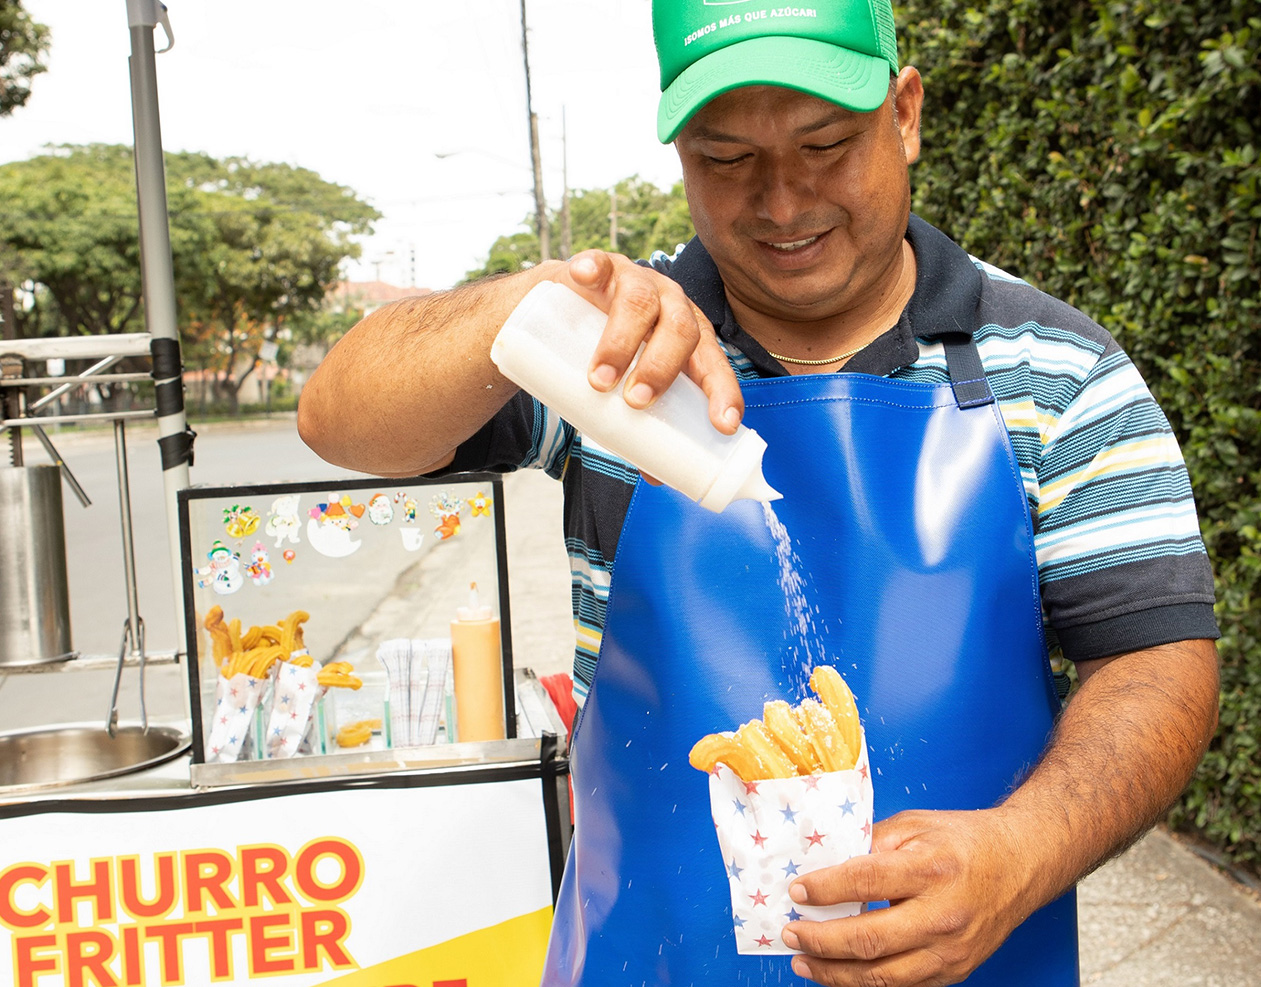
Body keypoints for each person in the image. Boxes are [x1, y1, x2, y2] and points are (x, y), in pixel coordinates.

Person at [298, 2, 1220, 984]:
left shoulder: (1055, 370)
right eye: (726, 158)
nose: (781, 202)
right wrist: (534, 302)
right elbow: (342, 422)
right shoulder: (610, 355)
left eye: (824, 145)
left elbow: (1154, 660)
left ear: (903, 115)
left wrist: (1023, 852)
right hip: (650, 955)